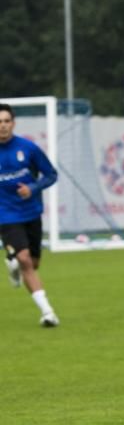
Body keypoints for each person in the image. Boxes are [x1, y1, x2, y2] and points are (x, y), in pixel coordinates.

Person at [0, 104, 60, 327]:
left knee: (32, 264)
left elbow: (51, 175)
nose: (3, 126)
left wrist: (32, 189)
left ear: (13, 124)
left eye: (6, 121)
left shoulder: (28, 148)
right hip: (5, 216)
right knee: (25, 259)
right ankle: (48, 312)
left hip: (31, 213)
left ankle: (12, 265)